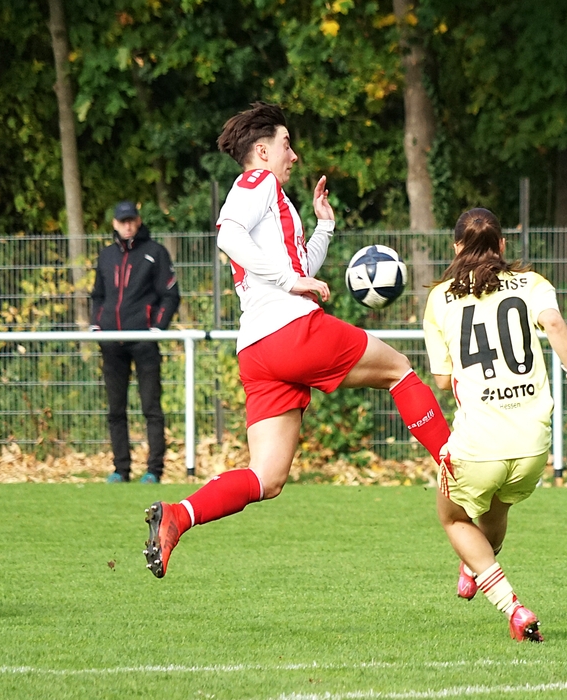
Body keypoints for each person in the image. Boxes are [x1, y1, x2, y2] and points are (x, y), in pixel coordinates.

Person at [142, 102, 451, 578]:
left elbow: (297, 266)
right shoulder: (258, 182)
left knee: (267, 478)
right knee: (399, 370)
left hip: (258, 350)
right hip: (290, 330)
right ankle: (455, 466)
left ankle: (177, 517)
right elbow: (229, 236)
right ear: (262, 151)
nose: (294, 155)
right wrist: (290, 282)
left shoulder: (275, 202)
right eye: (286, 144)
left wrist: (324, 226)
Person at [422, 208, 567, 642]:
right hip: (533, 445)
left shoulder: (440, 298)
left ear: (456, 248)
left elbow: (442, 380)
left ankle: (513, 607)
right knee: (498, 505)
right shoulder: (531, 283)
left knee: (453, 518)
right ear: (502, 245)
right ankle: (474, 565)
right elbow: (554, 324)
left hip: (478, 442)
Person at [91, 200, 180, 484]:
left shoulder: (155, 252)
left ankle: (154, 470)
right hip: (111, 342)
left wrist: (157, 327)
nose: (127, 226)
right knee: (115, 409)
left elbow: (170, 294)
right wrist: (96, 325)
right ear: (115, 224)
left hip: (144, 342)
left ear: (138, 221)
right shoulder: (106, 256)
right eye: (122, 221)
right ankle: (121, 469)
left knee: (151, 407)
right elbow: (98, 295)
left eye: (131, 220)